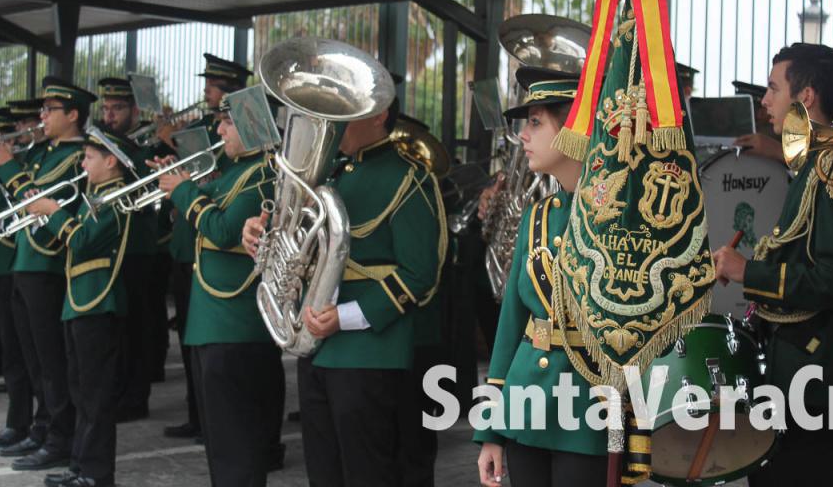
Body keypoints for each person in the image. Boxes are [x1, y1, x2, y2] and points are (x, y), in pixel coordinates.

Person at [242, 93, 443, 487]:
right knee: (324, 472)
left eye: (345, 117)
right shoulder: (333, 174)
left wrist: (346, 317)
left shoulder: (408, 177)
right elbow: (300, 244)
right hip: (317, 345)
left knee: (367, 472)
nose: (333, 127)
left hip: (369, 349)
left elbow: (421, 274)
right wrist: (263, 235)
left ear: (380, 115)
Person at [712, 43, 833, 486]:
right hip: (790, 366)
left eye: (772, 88)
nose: (764, 101)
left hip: (814, 378)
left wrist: (751, 272)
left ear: (805, 97)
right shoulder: (812, 164)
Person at [474, 67, 606, 487]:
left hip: (590, 409)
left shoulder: (620, 218)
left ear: (573, 130)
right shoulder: (537, 215)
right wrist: (491, 431)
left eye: (535, 122)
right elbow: (511, 325)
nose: (523, 136)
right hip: (525, 403)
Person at [150, 92, 283, 486]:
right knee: (221, 444)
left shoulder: (263, 174)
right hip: (214, 322)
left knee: (236, 446)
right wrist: (180, 184)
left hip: (236, 322)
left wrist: (185, 192)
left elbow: (225, 231)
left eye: (227, 123)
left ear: (251, 128)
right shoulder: (230, 173)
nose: (219, 130)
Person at [0, 78, 95, 471]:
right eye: (43, 110)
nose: (42, 116)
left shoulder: (77, 156)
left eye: (50, 110)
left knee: (52, 362)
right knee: (32, 359)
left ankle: (60, 436)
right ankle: (41, 426)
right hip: (23, 263)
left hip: (48, 267)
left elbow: (39, 202)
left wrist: (8, 163)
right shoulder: (41, 151)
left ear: (73, 115)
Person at [28, 127, 137, 487]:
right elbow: (64, 239)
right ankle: (80, 465)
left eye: (90, 157)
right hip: (78, 304)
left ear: (111, 161)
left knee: (96, 397)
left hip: (99, 303)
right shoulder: (92, 196)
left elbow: (84, 240)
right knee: (80, 393)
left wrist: (54, 211)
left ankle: (96, 473)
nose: (83, 163)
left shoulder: (116, 199)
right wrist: (42, 213)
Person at [163, 53, 252, 441]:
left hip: (225, 272)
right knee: (190, 345)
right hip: (191, 250)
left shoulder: (253, 161)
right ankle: (198, 415)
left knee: (239, 377)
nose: (206, 94)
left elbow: (225, 219)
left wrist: (187, 188)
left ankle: (217, 423)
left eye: (212, 88)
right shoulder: (206, 131)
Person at [97, 77, 159, 421]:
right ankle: (118, 389)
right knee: (116, 326)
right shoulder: (105, 141)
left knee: (136, 325)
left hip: (137, 245)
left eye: (117, 108)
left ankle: (135, 397)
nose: (109, 115)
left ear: (134, 110)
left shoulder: (147, 146)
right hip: (110, 244)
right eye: (106, 109)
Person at [0, 108, 35, 449]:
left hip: (5, 265)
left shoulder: (19, 173)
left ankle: (18, 422)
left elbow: (27, 217)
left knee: (13, 349)